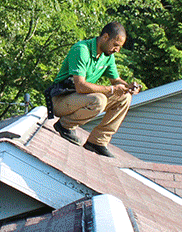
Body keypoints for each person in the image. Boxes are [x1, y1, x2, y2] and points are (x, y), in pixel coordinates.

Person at [46, 22, 142, 157]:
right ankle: (64, 126)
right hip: (60, 100)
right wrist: (112, 90)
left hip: (80, 99)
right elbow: (80, 86)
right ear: (105, 37)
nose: (117, 50)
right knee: (99, 100)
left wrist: (128, 87)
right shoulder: (81, 50)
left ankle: (97, 142)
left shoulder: (107, 56)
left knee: (125, 98)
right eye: (115, 45)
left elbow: (116, 80)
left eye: (119, 47)